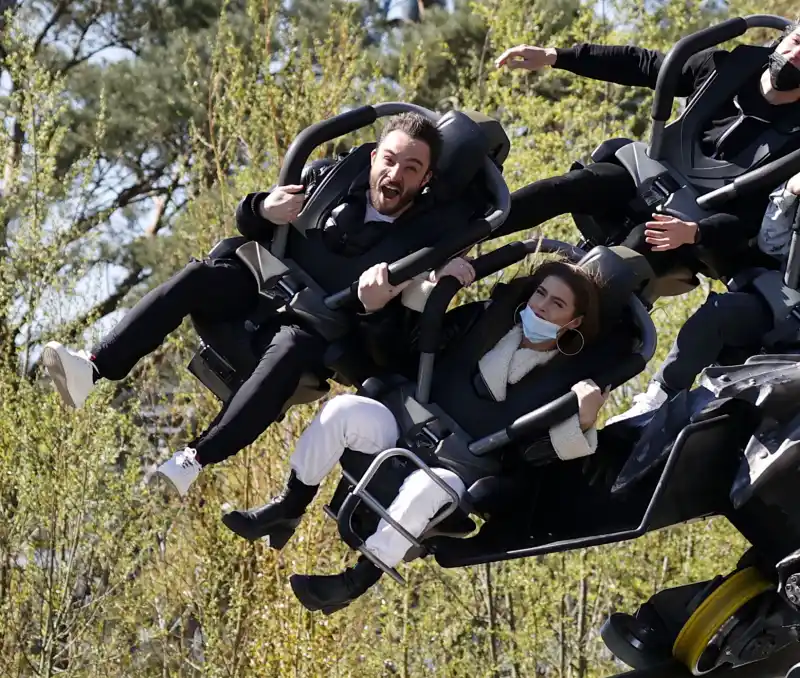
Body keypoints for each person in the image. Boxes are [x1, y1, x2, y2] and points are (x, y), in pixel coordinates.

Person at [41, 112, 481, 497]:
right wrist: (262, 209)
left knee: (291, 348)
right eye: (389, 159)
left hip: (313, 325)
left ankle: (195, 457)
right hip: (258, 286)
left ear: (424, 180)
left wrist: (375, 307)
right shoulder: (328, 177)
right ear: (373, 157)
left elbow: (391, 353)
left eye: (411, 168)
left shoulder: (423, 248)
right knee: (199, 275)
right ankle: (93, 367)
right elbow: (252, 217)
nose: (395, 175)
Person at [222, 259, 610, 614]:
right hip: (407, 424)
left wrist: (584, 419)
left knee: (427, 487)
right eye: (540, 293)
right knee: (343, 411)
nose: (541, 307)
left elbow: (535, 457)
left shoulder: (566, 384)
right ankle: (287, 507)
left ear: (573, 322)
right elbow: (414, 350)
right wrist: (430, 293)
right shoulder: (485, 321)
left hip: (461, 466)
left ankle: (357, 578)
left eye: (556, 304)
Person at [493, 21, 800, 277]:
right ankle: (467, 234)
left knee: (626, 257)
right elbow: (645, 65)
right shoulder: (726, 66)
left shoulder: (794, 143)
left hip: (693, 218)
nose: (795, 55)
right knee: (569, 186)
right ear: (785, 37)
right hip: (648, 170)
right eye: (796, 42)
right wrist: (556, 56)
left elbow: (753, 214)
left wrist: (696, 232)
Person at [607, 170, 800, 424]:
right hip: (782, 308)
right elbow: (771, 242)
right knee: (717, 314)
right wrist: (788, 194)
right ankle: (660, 397)